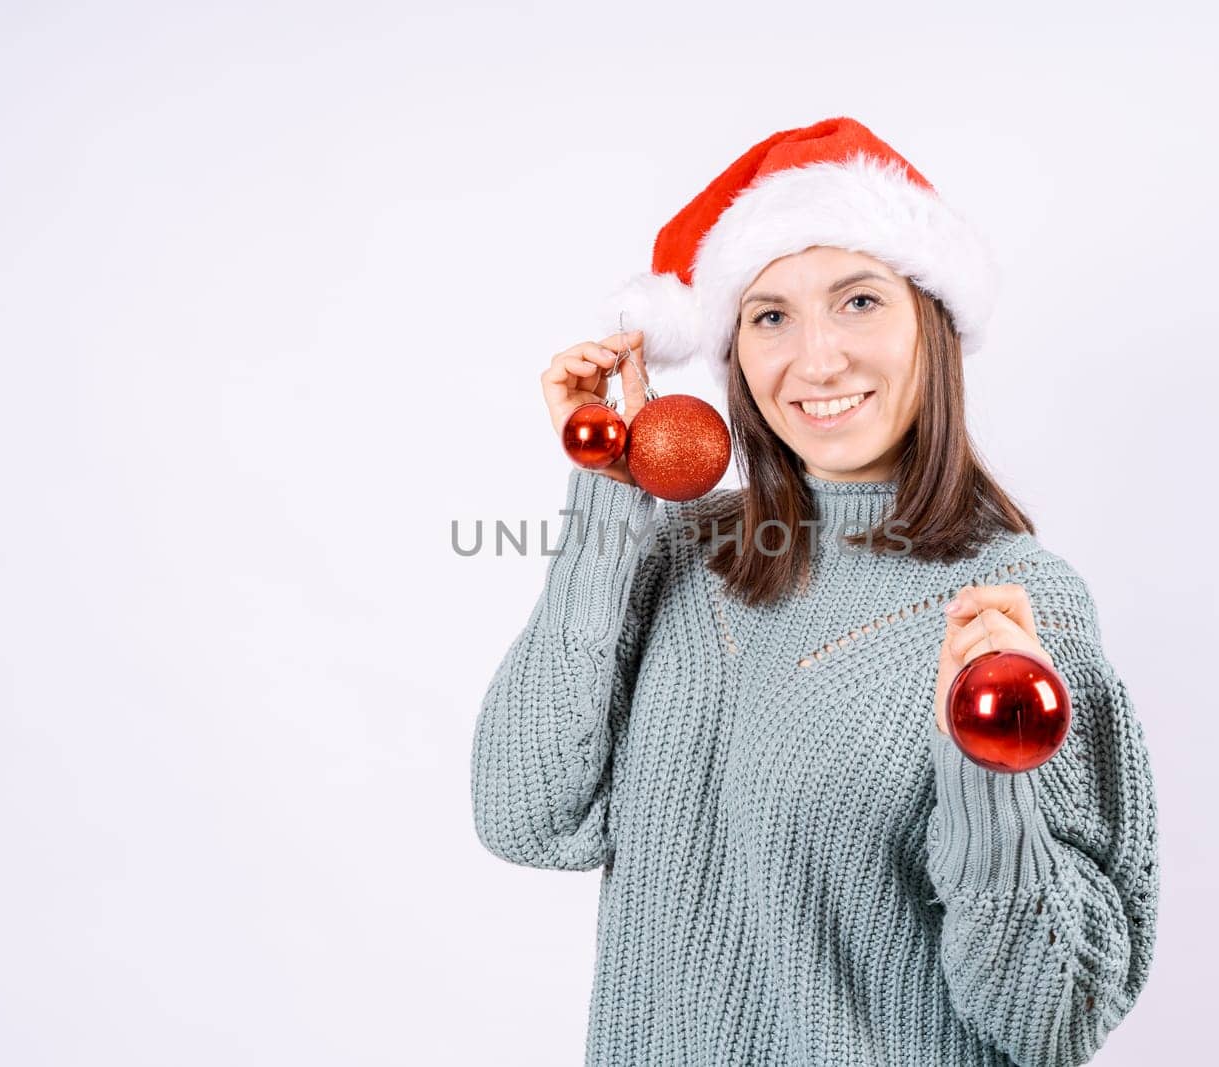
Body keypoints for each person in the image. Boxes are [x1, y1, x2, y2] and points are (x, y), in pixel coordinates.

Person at [470, 116, 1159, 1067]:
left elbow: (1056, 1016)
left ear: (934, 321)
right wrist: (610, 494)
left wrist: (987, 775)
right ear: (736, 354)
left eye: (860, 300)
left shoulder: (1012, 605)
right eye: (771, 315)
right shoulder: (679, 552)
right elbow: (526, 813)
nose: (818, 359)